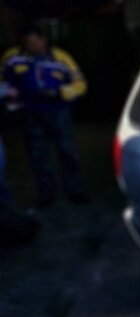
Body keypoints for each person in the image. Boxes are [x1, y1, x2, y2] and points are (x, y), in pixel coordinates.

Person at [2, 27, 87, 207]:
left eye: (35, 41)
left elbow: (80, 84)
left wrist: (59, 92)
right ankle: (46, 194)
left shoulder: (61, 57)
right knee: (37, 156)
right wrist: (11, 96)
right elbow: (4, 82)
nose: (32, 46)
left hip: (59, 112)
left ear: (44, 40)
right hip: (30, 113)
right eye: (28, 43)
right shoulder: (12, 57)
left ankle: (75, 191)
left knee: (67, 152)